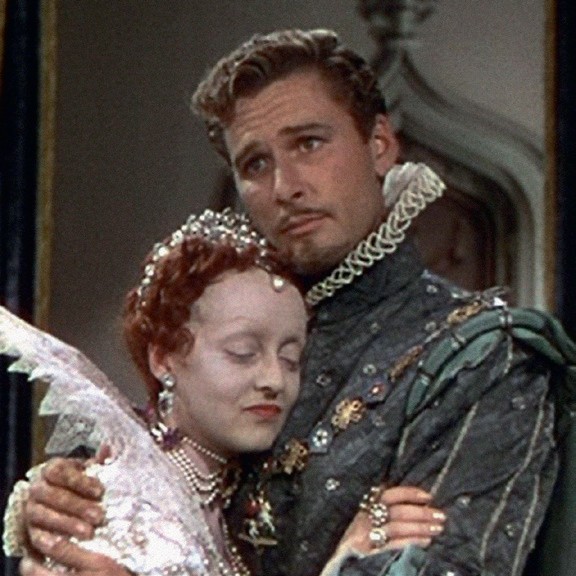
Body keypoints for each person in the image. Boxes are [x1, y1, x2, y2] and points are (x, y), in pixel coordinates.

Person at [16, 28, 576, 576]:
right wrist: (70, 501)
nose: (286, 186)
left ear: (379, 145)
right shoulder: (230, 316)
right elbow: (161, 470)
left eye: (309, 143)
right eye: (255, 164)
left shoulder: (485, 359)